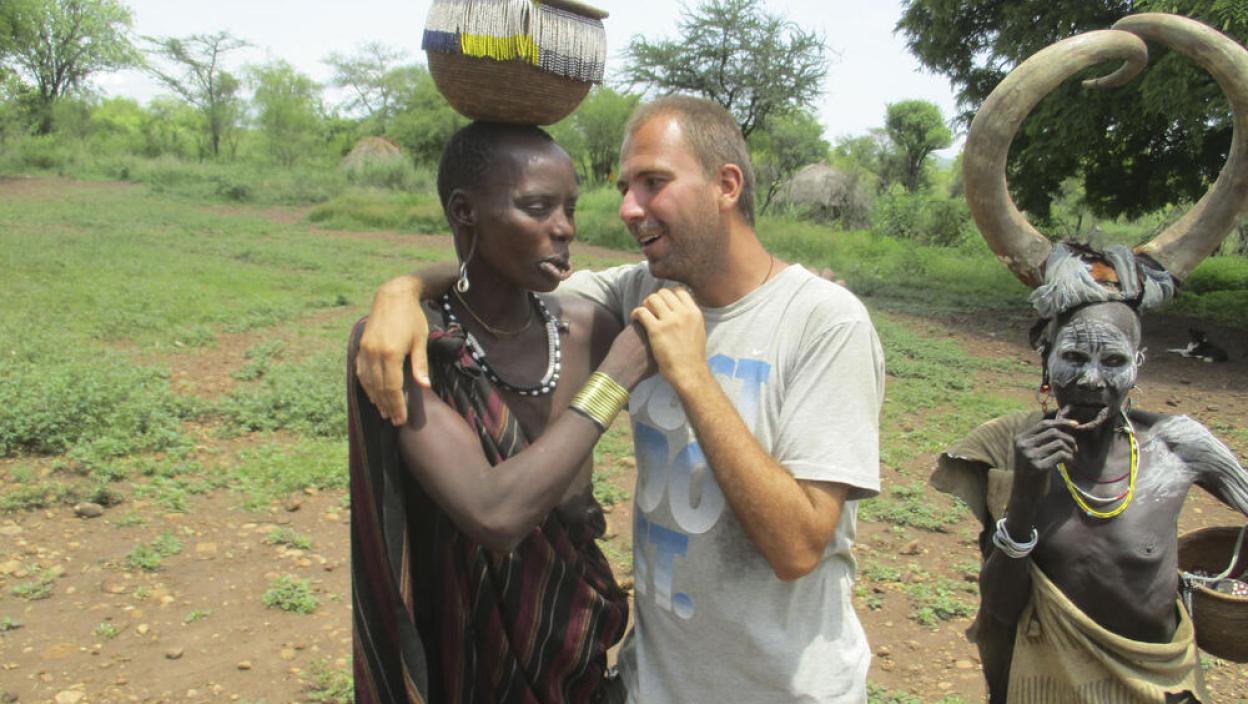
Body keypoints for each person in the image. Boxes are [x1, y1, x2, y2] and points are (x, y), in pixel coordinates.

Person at [357, 95, 886, 702]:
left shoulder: (824, 322)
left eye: (654, 183)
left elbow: (797, 548)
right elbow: (504, 269)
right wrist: (403, 290)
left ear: (727, 185)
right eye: (624, 188)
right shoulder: (638, 291)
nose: (629, 208)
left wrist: (692, 376)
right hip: (651, 685)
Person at [349, 121, 653, 703]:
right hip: (467, 668)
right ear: (465, 211)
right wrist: (616, 377)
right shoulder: (412, 349)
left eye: (569, 208)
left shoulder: (588, 326)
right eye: (537, 208)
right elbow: (494, 514)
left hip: (575, 662)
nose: (564, 227)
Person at [932, 247, 1248, 703]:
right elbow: (1000, 613)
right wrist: (1024, 498)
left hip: (1161, 685)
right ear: (1046, 359)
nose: (1092, 380)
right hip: (1050, 683)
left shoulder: (1174, 446)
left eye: (1114, 362)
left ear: (1138, 364)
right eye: (1074, 357)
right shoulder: (1010, 450)